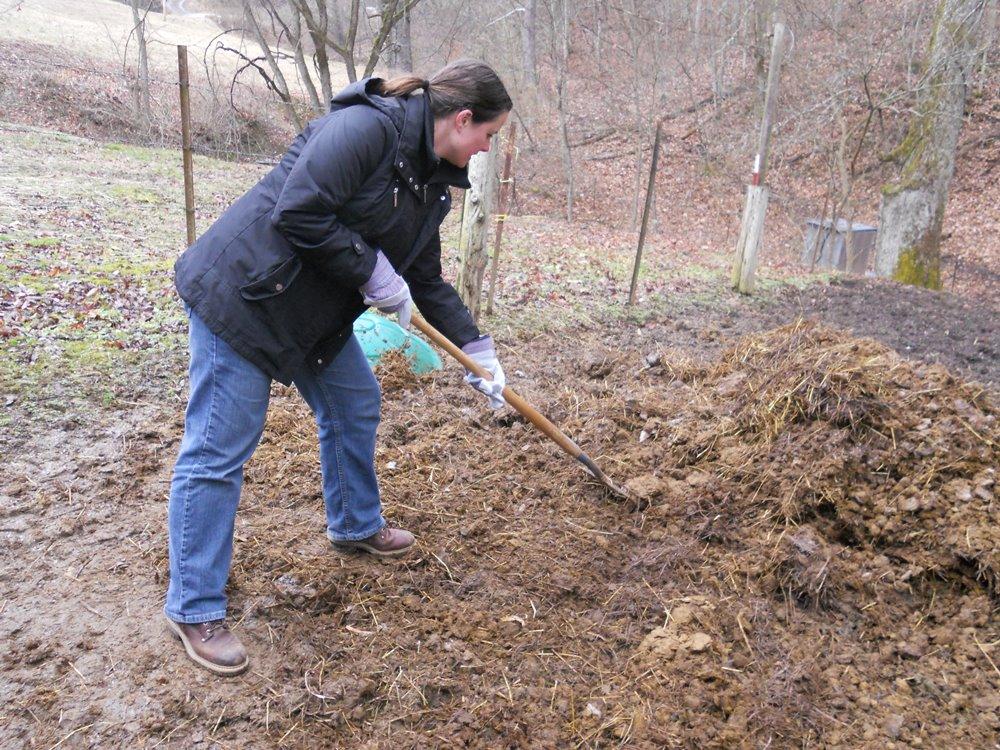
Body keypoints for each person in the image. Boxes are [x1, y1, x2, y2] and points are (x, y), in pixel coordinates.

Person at [163, 59, 512, 676]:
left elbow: (424, 276)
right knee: (219, 450)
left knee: (354, 402)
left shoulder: (432, 180)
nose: (488, 146)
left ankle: (354, 524)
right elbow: (297, 209)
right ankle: (193, 604)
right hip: (243, 296)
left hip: (311, 314)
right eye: (489, 134)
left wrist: (476, 349)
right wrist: (373, 271)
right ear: (462, 120)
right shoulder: (365, 130)